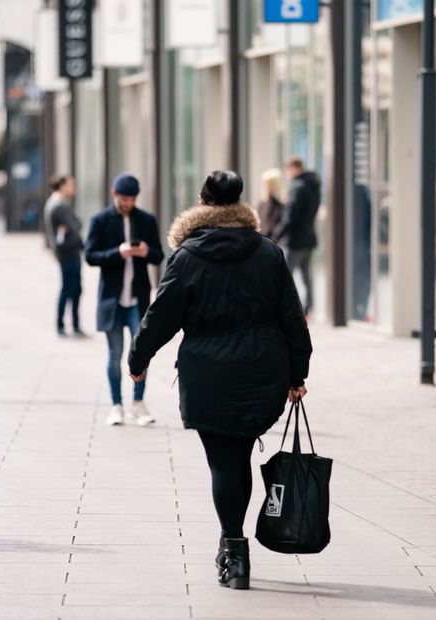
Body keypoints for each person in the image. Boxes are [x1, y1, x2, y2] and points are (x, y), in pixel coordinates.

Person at [128, 170, 312, 590]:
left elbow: (162, 315)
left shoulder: (187, 257)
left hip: (209, 370)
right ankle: (232, 545)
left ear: (202, 202)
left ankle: (234, 550)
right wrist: (297, 373)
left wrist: (138, 359)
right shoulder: (268, 253)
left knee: (224, 463)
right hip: (263, 369)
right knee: (239, 455)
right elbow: (292, 318)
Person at [85, 173, 163, 427]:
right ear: (114, 194)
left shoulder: (147, 220)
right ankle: (116, 404)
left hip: (138, 298)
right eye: (123, 198)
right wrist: (117, 253)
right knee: (114, 353)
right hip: (112, 300)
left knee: (141, 352)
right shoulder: (100, 220)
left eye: (131, 199)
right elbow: (90, 256)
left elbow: (159, 256)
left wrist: (144, 251)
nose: (127, 203)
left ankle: (138, 403)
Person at [274, 157, 321, 317]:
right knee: (306, 276)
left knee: (285, 276)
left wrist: (277, 234)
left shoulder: (298, 187)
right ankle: (308, 308)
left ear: (294, 168)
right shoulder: (313, 185)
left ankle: (288, 310)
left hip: (295, 240)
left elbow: (290, 216)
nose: (287, 174)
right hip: (309, 238)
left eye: (288, 170)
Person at [45, 175, 86, 337]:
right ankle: (66, 325)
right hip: (68, 253)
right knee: (70, 290)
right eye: (71, 185)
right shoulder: (59, 207)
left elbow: (77, 224)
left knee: (72, 289)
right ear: (62, 186)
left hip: (66, 253)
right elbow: (76, 228)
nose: (73, 188)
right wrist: (74, 230)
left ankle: (68, 325)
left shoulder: (55, 204)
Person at [256, 168, 284, 240]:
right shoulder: (262, 203)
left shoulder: (281, 203)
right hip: (263, 240)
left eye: (269, 184)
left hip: (276, 241)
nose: (266, 186)